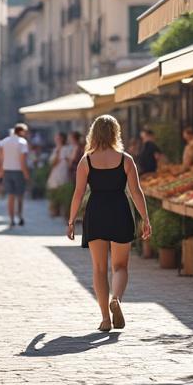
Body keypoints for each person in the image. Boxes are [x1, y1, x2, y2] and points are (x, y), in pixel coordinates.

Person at [66, 115, 152, 332]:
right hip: (120, 212)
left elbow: (78, 193)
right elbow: (135, 192)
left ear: (93, 133)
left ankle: (105, 318)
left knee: (98, 269)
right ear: (116, 133)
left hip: (95, 213)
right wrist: (145, 218)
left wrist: (70, 220)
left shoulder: (86, 160)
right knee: (120, 266)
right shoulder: (126, 159)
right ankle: (117, 299)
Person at [0, 123, 31, 226]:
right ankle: (20, 216)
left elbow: (0, 158)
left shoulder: (4, 141)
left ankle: (11, 219)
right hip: (18, 171)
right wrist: (26, 173)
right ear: (21, 131)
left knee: (10, 196)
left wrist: (0, 171)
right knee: (20, 195)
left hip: (7, 170)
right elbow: (22, 160)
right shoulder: (22, 142)